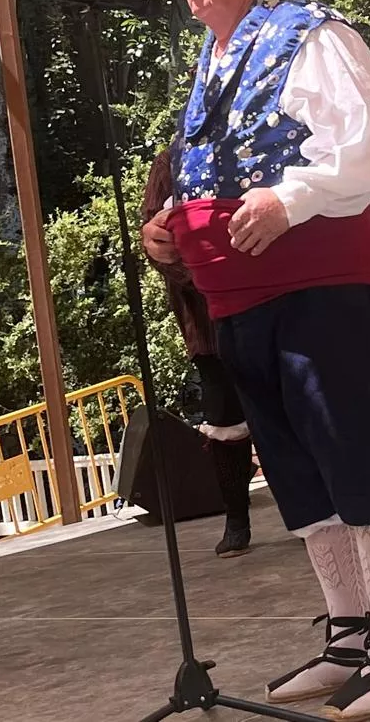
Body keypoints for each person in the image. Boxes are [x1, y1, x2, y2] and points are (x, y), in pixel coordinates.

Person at [144, 0, 370, 721]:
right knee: (300, 475)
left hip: (317, 288)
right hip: (242, 298)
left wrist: (293, 198)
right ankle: (349, 640)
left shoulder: (311, 35)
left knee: (352, 460)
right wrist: (170, 230)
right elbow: (217, 173)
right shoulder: (214, 57)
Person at [140, 143, 257, 558]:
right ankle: (236, 519)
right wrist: (208, 274)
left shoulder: (259, 141)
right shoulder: (170, 161)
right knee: (225, 422)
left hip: (270, 307)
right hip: (208, 324)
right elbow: (155, 240)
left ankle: (310, 510)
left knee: (287, 413)